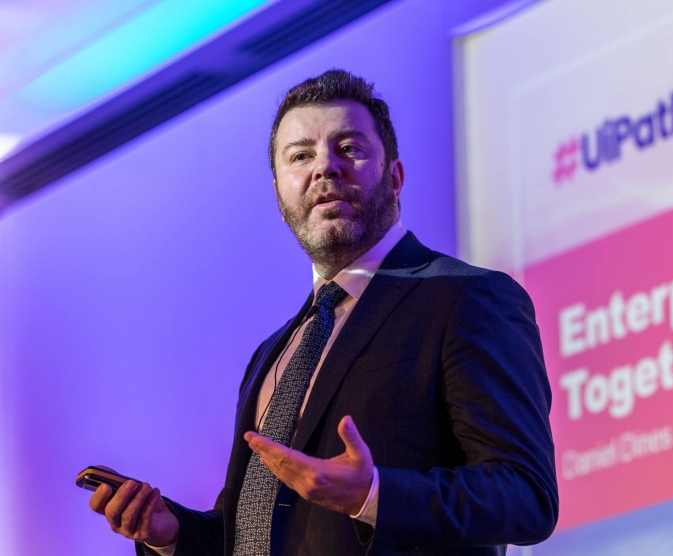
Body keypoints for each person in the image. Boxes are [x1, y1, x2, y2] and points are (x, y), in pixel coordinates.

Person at [87, 69, 558, 555]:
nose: (325, 168)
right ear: (279, 194)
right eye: (300, 155)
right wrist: (171, 534)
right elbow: (251, 531)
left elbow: (526, 496)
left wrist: (373, 495)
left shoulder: (466, 298)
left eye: (349, 148)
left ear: (394, 177)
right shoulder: (272, 355)